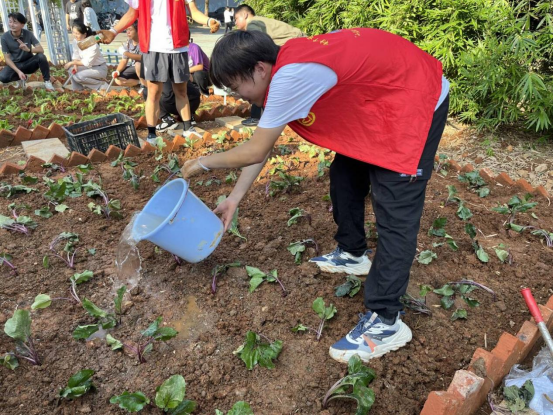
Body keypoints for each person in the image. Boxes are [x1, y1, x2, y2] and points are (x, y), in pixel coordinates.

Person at [181, 29, 450, 364]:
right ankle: (353, 252)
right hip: (381, 98)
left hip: (415, 98)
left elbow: (255, 150)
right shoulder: (284, 67)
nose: (240, 96)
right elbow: (262, 147)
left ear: (260, 69)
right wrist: (235, 197)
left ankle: (386, 321)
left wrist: (202, 163)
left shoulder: (291, 76)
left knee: (395, 209)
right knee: (345, 174)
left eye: (237, 87)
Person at [97, 0, 220, 144]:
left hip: (178, 47)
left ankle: (188, 129)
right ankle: (152, 135)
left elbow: (194, 11)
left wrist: (209, 21)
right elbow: (132, 13)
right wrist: (113, 32)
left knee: (181, 91)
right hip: (153, 47)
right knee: (153, 92)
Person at [233, 4, 304, 127]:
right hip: (294, 50)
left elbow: (255, 50)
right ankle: (261, 117)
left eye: (236, 18)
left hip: (295, 51)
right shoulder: (260, 22)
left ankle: (260, 118)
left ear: (245, 15)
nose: (235, 23)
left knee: (258, 78)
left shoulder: (253, 24)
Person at [0, 12, 54, 91]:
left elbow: (41, 50)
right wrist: (18, 71)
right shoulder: (4, 37)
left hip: (29, 63)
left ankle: (47, 81)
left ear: (22, 25)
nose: (12, 25)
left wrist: (28, 49)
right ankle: (21, 78)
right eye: (10, 22)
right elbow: (7, 58)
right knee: (2, 77)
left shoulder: (28, 34)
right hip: (15, 64)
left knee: (41, 56)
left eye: (15, 22)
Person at [65, 22, 108, 91]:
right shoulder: (75, 41)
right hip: (87, 67)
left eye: (77, 33)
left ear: (84, 34)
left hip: (99, 68)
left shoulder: (93, 46)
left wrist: (72, 63)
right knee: (71, 69)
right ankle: (77, 89)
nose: (75, 35)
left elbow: (87, 62)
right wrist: (75, 66)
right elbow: (76, 55)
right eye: (73, 33)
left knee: (79, 77)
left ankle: (100, 85)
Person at [113, 23, 141, 87]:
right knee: (118, 79)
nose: (128, 32)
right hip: (134, 68)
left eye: (130, 30)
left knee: (138, 65)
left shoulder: (144, 42)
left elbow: (142, 58)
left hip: (145, 67)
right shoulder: (129, 42)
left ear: (138, 30)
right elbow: (124, 60)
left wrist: (125, 53)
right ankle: (140, 82)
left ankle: (144, 84)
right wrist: (117, 71)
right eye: (126, 30)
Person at [188, 32, 210, 96]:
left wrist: (185, 72)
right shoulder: (178, 49)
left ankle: (204, 92)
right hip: (190, 74)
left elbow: (200, 67)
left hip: (205, 76)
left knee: (198, 74)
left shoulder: (194, 47)